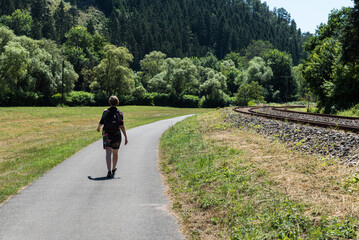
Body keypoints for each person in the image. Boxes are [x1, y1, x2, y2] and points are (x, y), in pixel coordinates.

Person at [97, 96, 128, 178]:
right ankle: (114, 168)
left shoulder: (106, 112)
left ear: (109, 102)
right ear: (117, 102)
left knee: (108, 152)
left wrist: (98, 128)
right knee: (115, 152)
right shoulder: (120, 113)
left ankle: (109, 171)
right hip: (116, 135)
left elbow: (101, 121)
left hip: (107, 134)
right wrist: (126, 137)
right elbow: (122, 126)